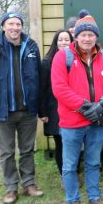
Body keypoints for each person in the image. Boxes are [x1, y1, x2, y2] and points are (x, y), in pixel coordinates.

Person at [51, 10, 103, 204]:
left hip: (97, 120)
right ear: (76, 36)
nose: (87, 38)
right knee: (70, 165)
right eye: (83, 35)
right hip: (72, 122)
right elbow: (59, 88)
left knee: (93, 162)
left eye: (91, 34)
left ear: (96, 36)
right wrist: (84, 105)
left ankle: (94, 199)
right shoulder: (63, 57)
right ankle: (73, 203)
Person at [0, 11, 44, 204]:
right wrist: (1, 96)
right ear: (3, 26)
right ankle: (11, 187)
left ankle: (29, 184)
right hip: (4, 111)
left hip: (27, 111)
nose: (15, 27)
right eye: (11, 24)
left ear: (21, 26)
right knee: (7, 152)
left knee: (27, 149)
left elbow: (38, 76)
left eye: (18, 24)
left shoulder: (31, 46)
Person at [38, 29, 73, 177]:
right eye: (60, 40)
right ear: (55, 42)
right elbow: (42, 88)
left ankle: (74, 172)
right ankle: (64, 176)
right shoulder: (47, 62)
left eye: (67, 40)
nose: (63, 42)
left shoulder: (75, 60)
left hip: (72, 109)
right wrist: (43, 112)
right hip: (54, 111)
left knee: (72, 144)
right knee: (61, 144)